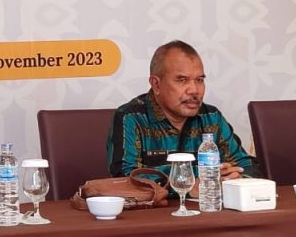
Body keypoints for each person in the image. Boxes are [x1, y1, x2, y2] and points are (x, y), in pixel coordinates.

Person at [107, 40, 260, 181]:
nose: (194, 90)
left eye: (199, 80)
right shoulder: (132, 117)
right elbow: (125, 177)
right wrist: (191, 181)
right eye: (182, 80)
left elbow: (249, 166)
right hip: (160, 204)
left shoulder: (211, 117)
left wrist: (237, 176)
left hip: (208, 202)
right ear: (156, 84)